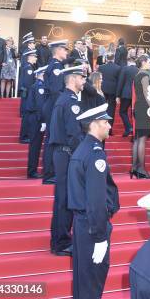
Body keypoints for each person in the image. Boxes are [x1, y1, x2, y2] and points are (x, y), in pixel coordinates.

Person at [68, 103, 119, 299]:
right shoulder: (94, 153)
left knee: (84, 283)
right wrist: (99, 236)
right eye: (106, 122)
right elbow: (96, 200)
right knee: (91, 285)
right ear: (94, 124)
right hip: (92, 227)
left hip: (82, 224)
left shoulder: (83, 149)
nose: (109, 126)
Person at [49, 65, 86, 256]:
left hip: (61, 153)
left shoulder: (62, 99)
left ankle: (59, 239)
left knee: (61, 198)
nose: (84, 81)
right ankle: (61, 242)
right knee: (65, 199)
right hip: (67, 153)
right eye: (82, 77)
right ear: (73, 79)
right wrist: (83, 156)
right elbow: (74, 134)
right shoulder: (71, 102)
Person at [42, 40, 74, 184]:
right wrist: (63, 107)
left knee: (52, 139)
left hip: (53, 105)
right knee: (51, 140)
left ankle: (50, 172)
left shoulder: (57, 65)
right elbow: (56, 91)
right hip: (53, 106)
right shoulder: (55, 66)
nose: (66, 52)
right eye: (64, 50)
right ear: (58, 51)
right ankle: (49, 174)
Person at [131, 55, 150, 179]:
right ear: (143, 62)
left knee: (137, 138)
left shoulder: (137, 75)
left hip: (138, 107)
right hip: (144, 108)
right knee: (142, 139)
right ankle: (141, 169)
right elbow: (147, 95)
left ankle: (135, 168)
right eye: (149, 62)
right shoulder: (145, 75)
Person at [26, 65, 48, 179]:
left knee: (36, 145)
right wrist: (43, 121)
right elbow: (40, 105)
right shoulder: (40, 86)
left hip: (35, 117)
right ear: (42, 75)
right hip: (37, 119)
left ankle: (32, 169)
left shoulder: (38, 85)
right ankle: (32, 171)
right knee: (35, 145)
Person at [116, 50, 138, 137]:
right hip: (135, 94)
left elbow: (120, 82)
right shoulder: (138, 70)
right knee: (134, 113)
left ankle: (129, 128)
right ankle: (133, 130)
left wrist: (118, 95)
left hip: (125, 94)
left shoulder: (125, 68)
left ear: (128, 60)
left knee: (122, 112)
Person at [19, 50, 38, 143]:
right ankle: (23, 137)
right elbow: (28, 84)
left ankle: (25, 136)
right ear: (30, 57)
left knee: (27, 117)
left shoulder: (29, 67)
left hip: (27, 96)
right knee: (26, 117)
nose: (36, 58)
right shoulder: (29, 68)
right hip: (28, 96)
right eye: (35, 57)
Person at [98, 53, 121, 127]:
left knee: (102, 108)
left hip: (103, 89)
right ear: (113, 59)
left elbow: (98, 79)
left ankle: (101, 126)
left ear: (106, 59)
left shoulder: (101, 67)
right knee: (111, 109)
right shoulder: (118, 68)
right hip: (113, 90)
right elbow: (119, 81)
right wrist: (118, 94)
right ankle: (109, 128)